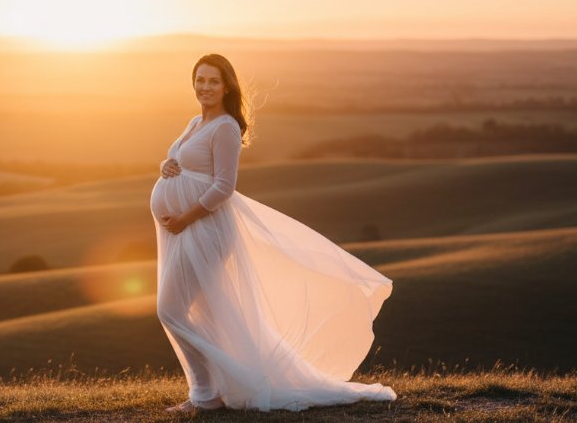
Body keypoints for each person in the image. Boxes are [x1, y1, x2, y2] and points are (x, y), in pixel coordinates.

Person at [148, 53, 397, 413]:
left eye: (213, 81)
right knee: (203, 312)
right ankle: (217, 387)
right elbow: (183, 161)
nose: (205, 87)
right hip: (183, 231)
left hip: (205, 229)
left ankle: (206, 394)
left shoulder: (225, 127)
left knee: (170, 310)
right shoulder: (196, 122)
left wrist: (185, 218)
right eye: (200, 80)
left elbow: (223, 187)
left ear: (227, 87)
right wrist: (166, 165)